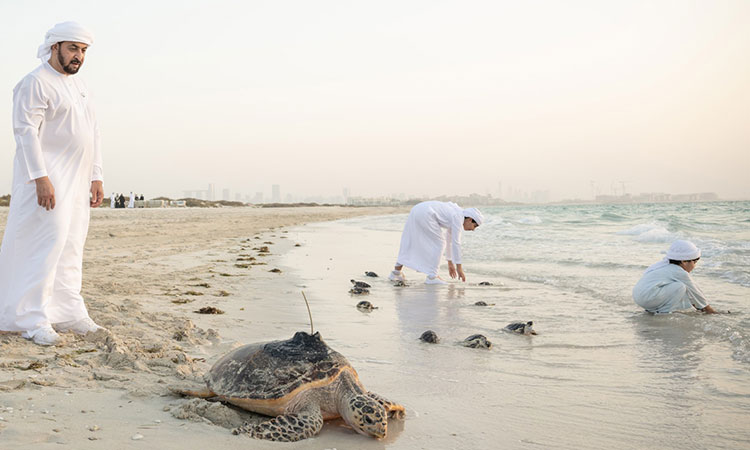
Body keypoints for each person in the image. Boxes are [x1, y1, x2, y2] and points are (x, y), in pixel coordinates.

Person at [0, 21, 104, 346]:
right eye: (73, 48)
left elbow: (93, 132)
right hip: (47, 177)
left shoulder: (80, 85)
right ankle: (30, 318)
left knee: (72, 244)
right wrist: (40, 177)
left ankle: (69, 311)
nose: (78, 56)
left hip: (77, 178)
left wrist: (96, 174)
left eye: (83, 50)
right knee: (45, 244)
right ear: (54, 46)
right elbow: (25, 131)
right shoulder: (34, 82)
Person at [389, 201, 483, 284]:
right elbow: (456, 243)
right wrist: (459, 268)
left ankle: (396, 273)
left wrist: (450, 263)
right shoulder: (458, 217)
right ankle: (432, 276)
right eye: (474, 226)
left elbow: (450, 240)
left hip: (417, 209)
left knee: (410, 240)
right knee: (440, 243)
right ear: (470, 219)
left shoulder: (456, 214)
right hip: (426, 213)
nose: (473, 229)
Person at [632, 240, 718, 314]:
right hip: (647, 298)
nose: (694, 266)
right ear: (684, 261)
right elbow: (695, 291)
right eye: (694, 262)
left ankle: (653, 309)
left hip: (640, 297)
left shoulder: (663, 266)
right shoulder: (678, 271)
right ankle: (663, 312)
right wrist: (709, 310)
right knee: (680, 286)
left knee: (678, 286)